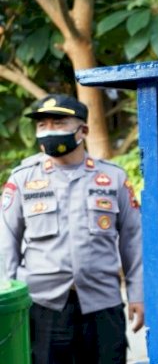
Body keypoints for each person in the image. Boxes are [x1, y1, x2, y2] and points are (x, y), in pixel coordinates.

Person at [0, 94, 144, 363]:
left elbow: (133, 240)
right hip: (42, 305)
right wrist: (9, 302)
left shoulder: (112, 177)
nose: (49, 131)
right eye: (42, 125)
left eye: (58, 123)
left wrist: (138, 294)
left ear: (83, 131)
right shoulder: (22, 179)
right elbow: (6, 242)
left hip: (102, 304)